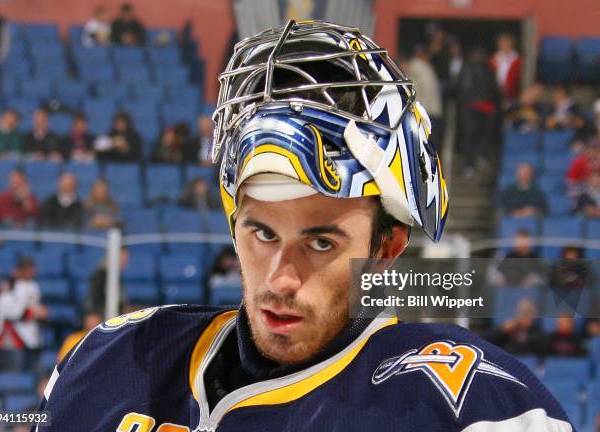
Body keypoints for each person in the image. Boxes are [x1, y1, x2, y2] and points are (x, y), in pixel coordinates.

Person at [34, 21, 572, 431]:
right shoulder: (111, 361)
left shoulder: (470, 405)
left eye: (320, 241)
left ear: (386, 248)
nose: (280, 279)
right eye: (262, 233)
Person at [0, 258, 49, 371]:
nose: (31, 272)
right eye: (27, 270)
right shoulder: (9, 285)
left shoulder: (34, 286)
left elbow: (33, 308)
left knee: (31, 376)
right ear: (19, 270)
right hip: (10, 339)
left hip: (31, 337)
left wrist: (40, 312)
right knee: (13, 377)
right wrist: (36, 312)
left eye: (32, 270)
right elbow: (12, 311)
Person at [455, 46, 500, 177]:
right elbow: (494, 88)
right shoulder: (489, 69)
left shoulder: (465, 68)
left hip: (470, 107)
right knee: (483, 135)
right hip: (486, 107)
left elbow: (459, 87)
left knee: (469, 137)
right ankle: (481, 158)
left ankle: (470, 165)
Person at [402, 46, 443, 150]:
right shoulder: (427, 67)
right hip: (434, 110)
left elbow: (409, 88)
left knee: (421, 144)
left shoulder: (414, 67)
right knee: (430, 145)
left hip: (425, 110)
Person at [85, 248, 129, 317]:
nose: (125, 263)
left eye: (125, 261)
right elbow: (93, 301)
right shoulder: (100, 275)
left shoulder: (116, 276)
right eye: (122, 260)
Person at [489, 33, 521, 101]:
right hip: (496, 91)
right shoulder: (494, 58)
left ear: (511, 43)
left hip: (513, 91)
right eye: (502, 42)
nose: (504, 45)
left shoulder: (516, 58)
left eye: (506, 42)